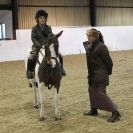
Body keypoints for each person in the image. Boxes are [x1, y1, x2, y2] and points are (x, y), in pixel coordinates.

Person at [83, 28, 121, 122]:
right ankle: (94, 109)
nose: (87, 37)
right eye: (87, 36)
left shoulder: (101, 47)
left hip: (100, 74)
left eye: (89, 36)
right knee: (91, 90)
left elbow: (109, 62)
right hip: (92, 74)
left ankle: (115, 112)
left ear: (95, 37)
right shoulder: (89, 46)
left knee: (100, 93)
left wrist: (107, 73)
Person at [26, 9, 66, 79]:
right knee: (31, 56)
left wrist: (57, 35)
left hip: (47, 46)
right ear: (37, 19)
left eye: (44, 18)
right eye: (41, 18)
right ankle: (29, 71)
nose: (42, 20)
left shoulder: (48, 27)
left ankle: (61, 69)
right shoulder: (34, 28)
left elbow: (51, 36)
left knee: (60, 54)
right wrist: (39, 45)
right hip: (37, 46)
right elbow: (33, 38)